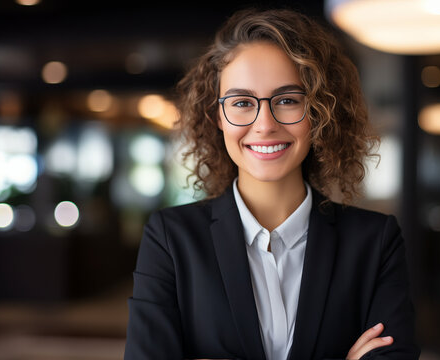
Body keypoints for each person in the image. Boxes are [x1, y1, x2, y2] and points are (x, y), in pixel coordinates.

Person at [124, 8, 420, 360]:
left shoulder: (375, 241)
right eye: (242, 103)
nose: (264, 124)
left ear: (320, 111)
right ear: (218, 116)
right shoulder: (171, 239)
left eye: (287, 100)